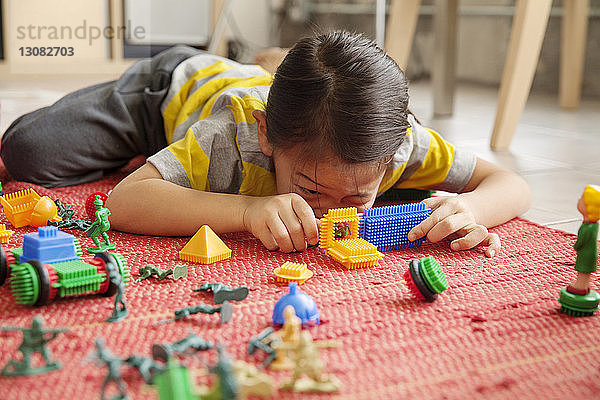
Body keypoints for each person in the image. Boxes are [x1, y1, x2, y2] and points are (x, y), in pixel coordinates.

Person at [0, 31, 530, 256]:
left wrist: (470, 206)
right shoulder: (229, 136)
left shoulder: (396, 143)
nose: (327, 214)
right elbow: (123, 202)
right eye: (312, 190)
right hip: (168, 90)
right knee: (30, 153)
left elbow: (508, 183)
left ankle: (266, 65)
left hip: (259, 102)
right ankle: (243, 71)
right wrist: (249, 209)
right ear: (266, 138)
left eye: (356, 198)